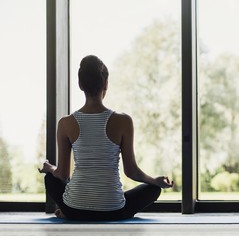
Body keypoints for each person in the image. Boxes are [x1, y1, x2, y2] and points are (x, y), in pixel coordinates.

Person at [38, 55, 173, 221]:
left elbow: (62, 174)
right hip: (114, 212)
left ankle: (66, 210)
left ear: (80, 85)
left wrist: (49, 168)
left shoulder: (66, 123)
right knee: (153, 189)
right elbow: (131, 171)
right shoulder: (124, 121)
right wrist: (154, 180)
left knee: (50, 179)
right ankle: (105, 201)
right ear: (106, 83)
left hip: (74, 210)